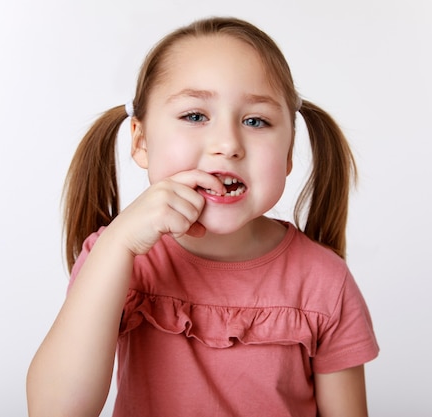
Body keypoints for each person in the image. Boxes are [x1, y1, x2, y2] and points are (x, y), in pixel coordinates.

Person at [26, 16, 379, 417]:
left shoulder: (324, 281)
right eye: (195, 116)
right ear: (140, 141)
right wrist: (118, 244)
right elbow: (54, 411)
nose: (227, 144)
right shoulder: (117, 257)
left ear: (288, 156)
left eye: (255, 121)